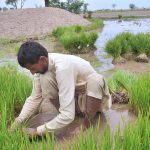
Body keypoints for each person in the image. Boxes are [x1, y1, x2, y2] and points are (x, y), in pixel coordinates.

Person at [11, 41, 112, 137]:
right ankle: (64, 114)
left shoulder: (63, 67)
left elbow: (68, 115)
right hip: (74, 101)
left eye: (32, 68)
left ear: (43, 59)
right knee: (45, 76)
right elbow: (35, 97)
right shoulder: (42, 68)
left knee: (96, 79)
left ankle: (86, 124)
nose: (32, 73)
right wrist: (18, 121)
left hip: (91, 102)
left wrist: (37, 131)